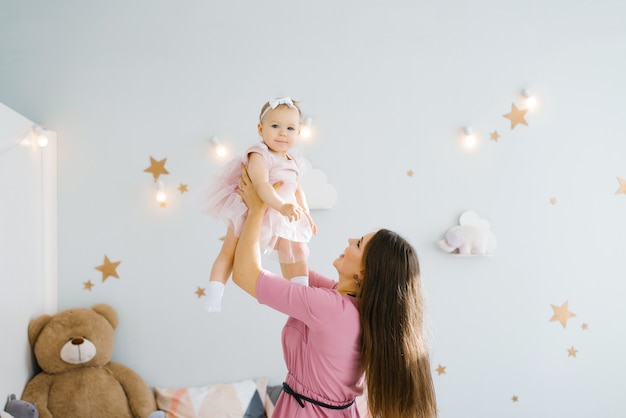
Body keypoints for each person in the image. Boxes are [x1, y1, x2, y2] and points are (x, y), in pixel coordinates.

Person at [231, 166, 438, 418]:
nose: (350, 240)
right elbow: (295, 269)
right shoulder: (352, 305)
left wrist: (257, 210)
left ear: (364, 274)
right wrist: (288, 206)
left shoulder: (330, 308)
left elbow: (244, 274)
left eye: (359, 244)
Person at [202, 97, 317, 313]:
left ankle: (302, 294)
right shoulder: (259, 154)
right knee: (230, 249)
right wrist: (283, 206)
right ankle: (214, 295)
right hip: (251, 209)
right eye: (275, 126)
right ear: (260, 128)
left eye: (290, 128)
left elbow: (298, 190)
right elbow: (262, 186)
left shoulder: (294, 161)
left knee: (296, 247)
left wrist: (306, 215)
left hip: (281, 212)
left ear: (298, 133)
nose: (282, 133)